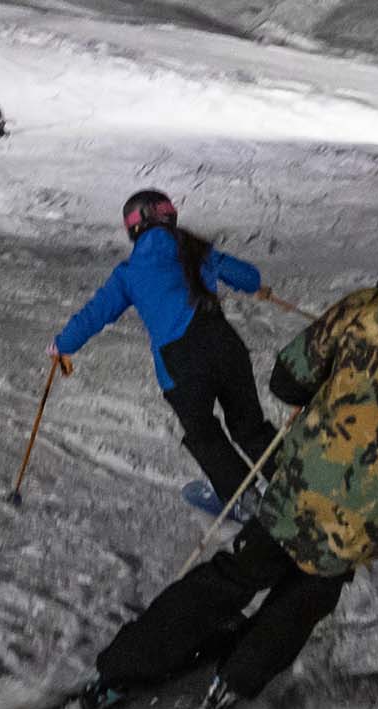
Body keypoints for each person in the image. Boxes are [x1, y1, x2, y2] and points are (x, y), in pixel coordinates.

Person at [85, 190, 378, 709]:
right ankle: (235, 680)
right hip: (372, 516)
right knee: (310, 593)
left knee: (235, 576)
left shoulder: (364, 309)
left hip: (298, 492)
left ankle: (125, 668)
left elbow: (288, 378)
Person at [53, 190, 274, 503]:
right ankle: (297, 487)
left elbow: (94, 315)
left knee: (204, 434)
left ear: (134, 228)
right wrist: (243, 278)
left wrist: (63, 344)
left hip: (181, 365)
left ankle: (245, 500)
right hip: (225, 345)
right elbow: (249, 278)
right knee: (250, 427)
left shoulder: (128, 274)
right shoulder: (196, 250)